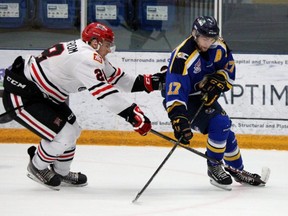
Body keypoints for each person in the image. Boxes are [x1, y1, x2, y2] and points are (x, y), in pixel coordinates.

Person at [2, 22, 165, 190]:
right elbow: (106, 95)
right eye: (107, 45)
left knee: (73, 129)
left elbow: (120, 80)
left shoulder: (88, 53)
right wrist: (133, 115)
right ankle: (37, 166)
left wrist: (152, 82)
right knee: (64, 135)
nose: (109, 49)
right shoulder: (86, 58)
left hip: (44, 95)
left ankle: (61, 171)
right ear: (95, 42)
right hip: (22, 96)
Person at [163, 16, 263, 190]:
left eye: (211, 38)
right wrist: (179, 117)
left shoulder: (219, 46)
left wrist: (219, 83)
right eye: (204, 38)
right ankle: (214, 166)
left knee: (224, 132)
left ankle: (237, 170)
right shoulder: (182, 57)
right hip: (184, 100)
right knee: (221, 123)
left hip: (201, 94)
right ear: (195, 34)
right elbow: (174, 92)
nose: (208, 42)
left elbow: (228, 71)